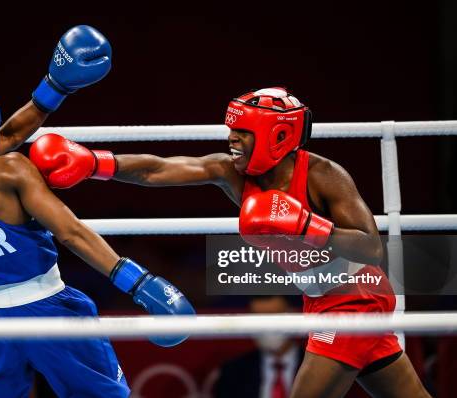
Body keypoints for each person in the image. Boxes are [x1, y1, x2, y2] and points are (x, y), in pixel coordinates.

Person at [30, 87, 431, 397]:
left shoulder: (324, 176)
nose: (232, 140)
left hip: (354, 301)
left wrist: (306, 224)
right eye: (231, 130)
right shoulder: (233, 172)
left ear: (277, 135)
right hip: (319, 298)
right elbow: (159, 170)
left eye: (243, 132)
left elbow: (372, 248)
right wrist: (95, 164)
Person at [0, 25, 195, 398]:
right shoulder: (8, 169)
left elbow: (6, 139)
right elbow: (70, 232)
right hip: (50, 309)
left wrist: (56, 87)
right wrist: (139, 283)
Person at [214, 296, 304, 398]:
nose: (266, 326)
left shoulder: (318, 365)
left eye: (273, 317)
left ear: (293, 317)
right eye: (258, 318)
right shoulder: (232, 373)